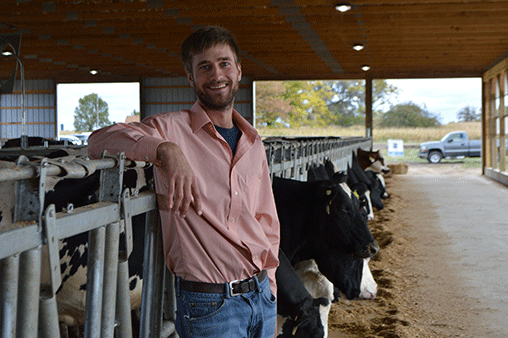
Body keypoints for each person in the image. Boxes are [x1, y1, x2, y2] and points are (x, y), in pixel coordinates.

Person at [88, 26, 280, 337]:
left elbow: (266, 219)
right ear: (190, 78)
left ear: (239, 70)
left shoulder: (253, 143)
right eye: (204, 67)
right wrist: (164, 149)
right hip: (210, 304)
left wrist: (270, 282)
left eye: (224, 63)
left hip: (261, 297)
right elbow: (99, 140)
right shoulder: (169, 129)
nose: (216, 74)